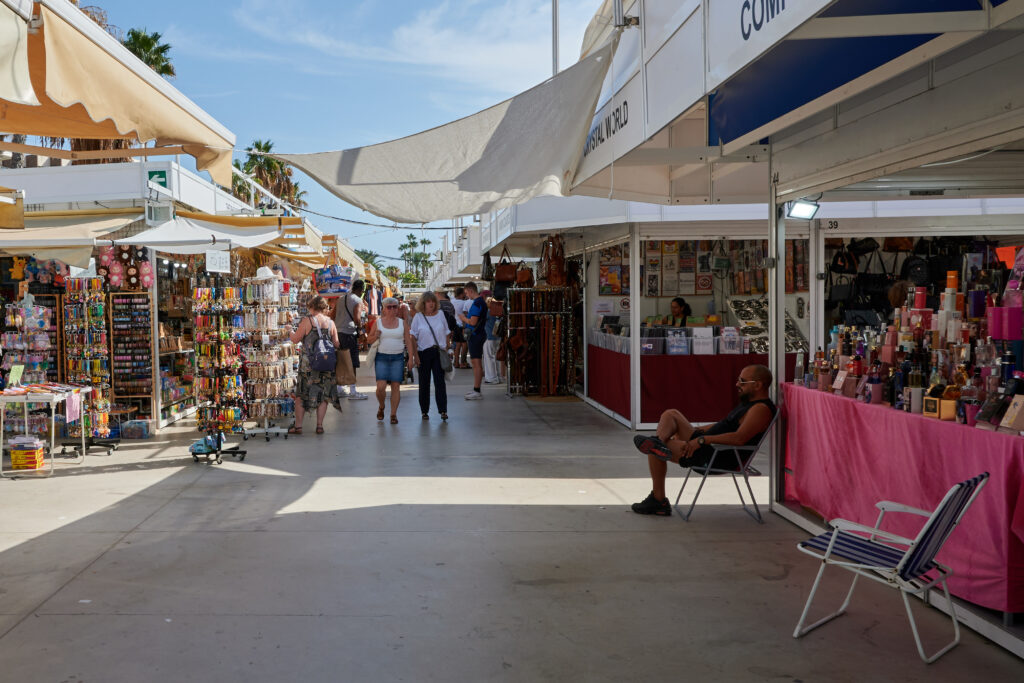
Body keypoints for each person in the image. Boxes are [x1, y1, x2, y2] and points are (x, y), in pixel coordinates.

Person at [630, 364, 776, 516]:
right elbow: (723, 425)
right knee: (670, 414)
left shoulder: (761, 409)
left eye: (742, 381)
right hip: (709, 446)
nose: (737, 384)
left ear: (758, 385)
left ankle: (658, 499)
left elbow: (739, 438)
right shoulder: (750, 404)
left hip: (715, 456)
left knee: (653, 447)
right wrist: (698, 433)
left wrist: (701, 440)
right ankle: (660, 444)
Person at [288, 295, 342, 435]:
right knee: (324, 395)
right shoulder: (330, 323)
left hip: (308, 365)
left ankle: (298, 427)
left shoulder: (308, 321)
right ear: (324, 308)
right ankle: (319, 426)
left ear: (312, 307)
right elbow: (336, 343)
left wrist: (289, 330)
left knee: (301, 394)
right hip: (326, 363)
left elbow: (295, 339)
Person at [366, 297, 412, 424]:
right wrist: (376, 335)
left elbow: (408, 340)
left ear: (398, 309)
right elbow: (368, 340)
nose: (392, 309)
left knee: (396, 386)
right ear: (384, 309)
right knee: (380, 387)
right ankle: (381, 406)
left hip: (398, 357)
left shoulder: (402, 323)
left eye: (394, 307)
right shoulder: (378, 323)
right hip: (382, 357)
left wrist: (411, 358)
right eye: (389, 307)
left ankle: (393, 414)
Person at [408, 291, 452, 421]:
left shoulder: (441, 315)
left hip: (438, 352)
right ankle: (424, 411)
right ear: (423, 303)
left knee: (440, 382)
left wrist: (447, 348)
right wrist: (416, 356)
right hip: (424, 352)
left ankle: (443, 410)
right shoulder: (418, 317)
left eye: (433, 301)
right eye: (428, 301)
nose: (431, 304)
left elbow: (447, 332)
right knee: (424, 383)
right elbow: (412, 337)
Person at [330, 278, 368, 400]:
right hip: (349, 334)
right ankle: (352, 391)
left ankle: (340, 389)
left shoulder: (341, 299)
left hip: (338, 333)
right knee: (352, 362)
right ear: (361, 290)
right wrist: (361, 330)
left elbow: (332, 315)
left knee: (341, 360)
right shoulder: (358, 300)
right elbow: (357, 319)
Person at [458, 281, 488, 400]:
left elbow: (473, 322)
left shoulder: (477, 303)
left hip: (475, 336)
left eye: (466, 293)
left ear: (470, 290)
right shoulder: (481, 302)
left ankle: (477, 390)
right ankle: (476, 389)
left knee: (476, 364)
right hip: (478, 334)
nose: (466, 295)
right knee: (477, 363)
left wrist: (463, 318)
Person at [482, 294, 502, 385]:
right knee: (497, 358)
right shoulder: (499, 313)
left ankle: (491, 378)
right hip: (498, 338)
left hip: (489, 337)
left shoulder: (488, 312)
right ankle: (499, 376)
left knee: (489, 358)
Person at [451, 287, 469, 368]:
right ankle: (463, 362)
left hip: (455, 325)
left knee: (457, 344)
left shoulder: (452, 301)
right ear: (461, 294)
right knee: (464, 344)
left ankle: (456, 362)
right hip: (462, 325)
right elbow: (466, 314)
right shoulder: (463, 303)